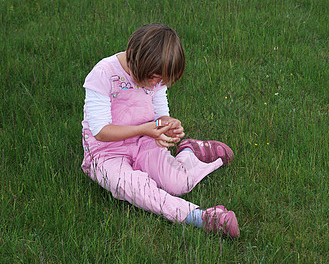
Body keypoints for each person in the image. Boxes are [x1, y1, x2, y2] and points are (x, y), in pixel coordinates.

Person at [81, 23, 239, 238]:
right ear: (138, 60)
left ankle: (190, 152)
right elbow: (100, 131)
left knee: (177, 184)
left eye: (162, 80)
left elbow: (159, 115)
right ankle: (200, 217)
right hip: (107, 152)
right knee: (130, 185)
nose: (158, 84)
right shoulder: (103, 74)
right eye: (155, 78)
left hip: (145, 141)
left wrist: (167, 124)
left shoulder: (155, 74)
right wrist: (144, 129)